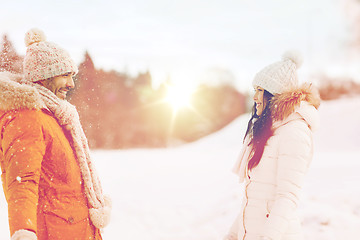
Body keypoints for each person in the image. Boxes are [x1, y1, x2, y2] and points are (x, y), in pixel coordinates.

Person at [0, 28, 111, 240]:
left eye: (72, 76)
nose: (71, 84)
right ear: (44, 77)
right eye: (65, 76)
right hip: (56, 232)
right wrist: (24, 231)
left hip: (76, 230)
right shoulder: (28, 117)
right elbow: (22, 180)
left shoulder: (55, 116)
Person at [224, 51, 320, 240]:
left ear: (274, 94)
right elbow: (256, 199)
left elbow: (287, 198)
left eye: (260, 90)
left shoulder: (294, 132)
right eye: (255, 90)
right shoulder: (269, 132)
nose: (255, 97)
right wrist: (233, 235)